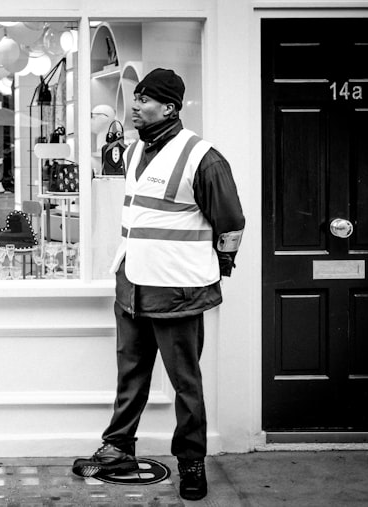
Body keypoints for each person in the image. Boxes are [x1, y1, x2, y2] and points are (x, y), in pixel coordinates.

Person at [71, 68, 245, 502]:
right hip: (132, 284)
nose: (135, 105)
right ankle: (118, 448)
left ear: (169, 107)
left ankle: (191, 462)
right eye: (136, 98)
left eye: (145, 99)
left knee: (185, 382)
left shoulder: (204, 158)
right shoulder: (132, 153)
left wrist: (214, 267)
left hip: (178, 289)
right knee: (130, 375)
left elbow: (231, 223)